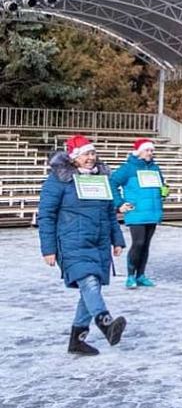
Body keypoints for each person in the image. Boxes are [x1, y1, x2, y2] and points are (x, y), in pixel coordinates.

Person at [38, 135, 127, 356]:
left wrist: (117, 239)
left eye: (93, 153)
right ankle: (105, 322)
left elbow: (108, 212)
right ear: (75, 157)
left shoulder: (100, 178)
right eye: (86, 154)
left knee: (90, 288)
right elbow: (46, 215)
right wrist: (48, 248)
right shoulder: (59, 179)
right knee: (89, 282)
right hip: (71, 242)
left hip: (98, 242)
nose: (91, 158)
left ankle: (77, 340)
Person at [110, 138, 168, 289]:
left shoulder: (155, 168)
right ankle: (130, 275)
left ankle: (140, 275)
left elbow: (161, 185)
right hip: (136, 212)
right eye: (147, 150)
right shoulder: (128, 168)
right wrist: (120, 203)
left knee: (146, 245)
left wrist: (163, 191)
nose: (150, 153)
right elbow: (112, 182)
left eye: (152, 151)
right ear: (139, 152)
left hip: (153, 212)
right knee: (138, 243)